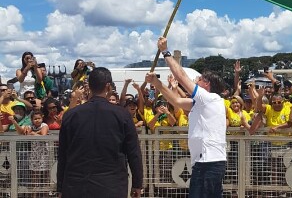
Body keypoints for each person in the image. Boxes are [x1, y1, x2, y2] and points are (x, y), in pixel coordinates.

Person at [146, 36, 227, 198]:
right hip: (203, 162)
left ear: (207, 85)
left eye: (200, 80)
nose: (196, 81)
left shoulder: (210, 98)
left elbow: (181, 77)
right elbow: (175, 100)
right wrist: (157, 84)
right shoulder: (201, 103)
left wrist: (165, 52)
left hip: (208, 162)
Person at [57, 67, 143, 197]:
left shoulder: (71, 115)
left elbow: (62, 154)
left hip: (76, 185)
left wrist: (60, 186)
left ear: (89, 87)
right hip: (112, 186)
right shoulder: (122, 115)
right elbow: (133, 152)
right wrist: (137, 184)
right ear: (108, 86)